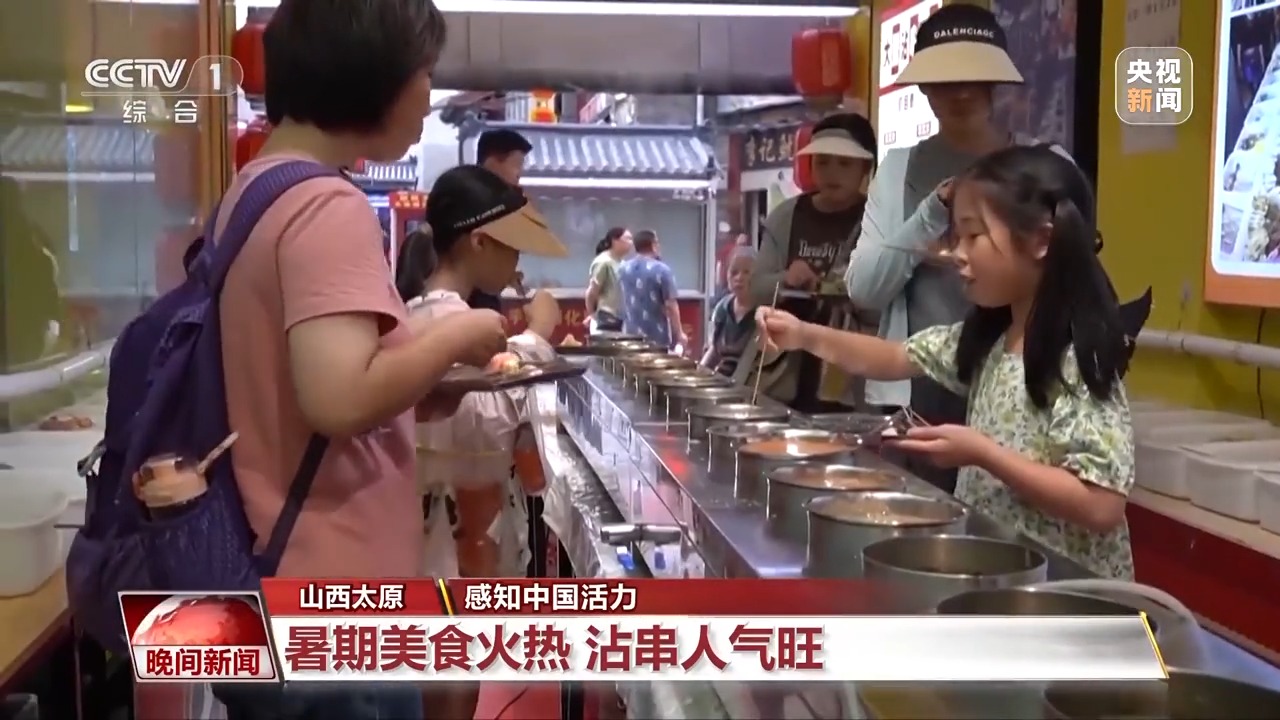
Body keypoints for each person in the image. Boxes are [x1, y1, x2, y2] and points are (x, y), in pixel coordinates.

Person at [208, 2, 507, 719]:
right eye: (425, 72)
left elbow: (299, 386)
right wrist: (459, 337)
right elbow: (338, 398)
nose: (429, 95)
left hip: (268, 578)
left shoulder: (255, 191)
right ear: (375, 73)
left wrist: (417, 390)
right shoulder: (327, 205)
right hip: (333, 595)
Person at [760, 145, 1136, 580]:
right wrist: (803, 334)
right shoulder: (992, 339)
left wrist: (982, 454)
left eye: (974, 236)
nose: (958, 253)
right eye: (956, 237)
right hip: (1007, 574)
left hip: (1068, 592)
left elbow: (1100, 504)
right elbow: (896, 356)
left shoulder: (1077, 358)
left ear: (1041, 241)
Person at [399, 165, 566, 720]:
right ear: (478, 241)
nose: (516, 261)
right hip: (468, 531)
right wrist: (538, 335)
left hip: (409, 532)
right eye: (510, 245)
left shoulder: (404, 319)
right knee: (455, 675)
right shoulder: (465, 329)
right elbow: (489, 415)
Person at [844, 4, 1032, 492]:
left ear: (995, 83)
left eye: (974, 78)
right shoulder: (899, 167)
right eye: (945, 79)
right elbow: (864, 287)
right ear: (925, 87)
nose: (961, 92)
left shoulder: (1044, 165)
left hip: (1023, 395)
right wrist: (930, 212)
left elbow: (1069, 282)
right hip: (918, 398)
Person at [747, 113, 877, 411]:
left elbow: (883, 304)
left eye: (844, 164)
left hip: (850, 371)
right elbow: (756, 290)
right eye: (822, 162)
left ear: (866, 167)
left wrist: (845, 288)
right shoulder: (786, 216)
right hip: (782, 372)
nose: (832, 173)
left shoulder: (878, 221)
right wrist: (785, 278)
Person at [618, 229, 688, 351]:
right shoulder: (662, 270)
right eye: (657, 243)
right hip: (656, 336)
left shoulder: (623, 269)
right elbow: (671, 305)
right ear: (653, 245)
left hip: (630, 334)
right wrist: (679, 334)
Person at [701, 247, 757, 377]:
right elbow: (714, 350)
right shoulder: (722, 308)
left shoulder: (765, 311)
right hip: (720, 380)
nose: (739, 277)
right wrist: (697, 373)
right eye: (734, 272)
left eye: (746, 272)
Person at [585, 226, 632, 332]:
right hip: (606, 316)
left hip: (621, 318)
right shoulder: (603, 262)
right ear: (615, 241)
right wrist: (592, 314)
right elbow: (592, 292)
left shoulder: (623, 263)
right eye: (627, 239)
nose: (631, 243)